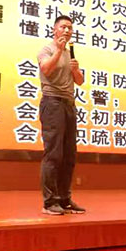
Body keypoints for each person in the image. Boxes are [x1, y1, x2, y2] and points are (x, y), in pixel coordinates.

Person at [37, 15, 86, 215]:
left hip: (68, 105)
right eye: (63, 27)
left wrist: (76, 70)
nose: (67, 31)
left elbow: (80, 81)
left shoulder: (69, 54)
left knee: (69, 155)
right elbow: (46, 69)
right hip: (52, 103)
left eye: (70, 28)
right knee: (54, 154)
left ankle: (65, 199)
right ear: (54, 30)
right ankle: (49, 202)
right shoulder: (47, 49)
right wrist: (58, 50)